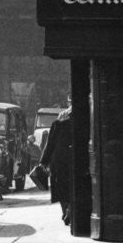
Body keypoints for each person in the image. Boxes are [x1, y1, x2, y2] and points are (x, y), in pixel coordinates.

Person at [40, 96, 73, 225]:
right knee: (72, 186)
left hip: (59, 159)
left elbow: (50, 143)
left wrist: (43, 161)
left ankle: (66, 211)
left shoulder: (58, 122)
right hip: (74, 158)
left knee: (60, 187)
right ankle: (70, 209)